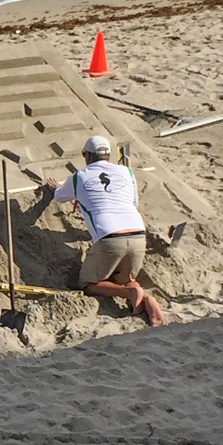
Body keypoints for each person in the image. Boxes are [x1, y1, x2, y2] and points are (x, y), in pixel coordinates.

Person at [45, 134, 163, 325]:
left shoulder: (79, 177)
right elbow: (133, 202)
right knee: (124, 278)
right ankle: (145, 298)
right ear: (108, 156)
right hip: (138, 234)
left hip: (110, 237)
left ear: (87, 156)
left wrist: (55, 188)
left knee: (88, 284)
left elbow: (59, 197)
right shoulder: (127, 172)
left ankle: (130, 293)